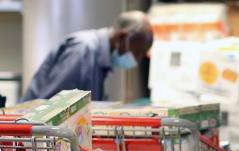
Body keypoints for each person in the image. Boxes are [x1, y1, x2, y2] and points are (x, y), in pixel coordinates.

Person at [22, 11, 153, 101]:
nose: (138, 60)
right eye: (138, 53)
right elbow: (53, 106)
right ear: (123, 37)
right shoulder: (83, 50)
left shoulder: (100, 60)